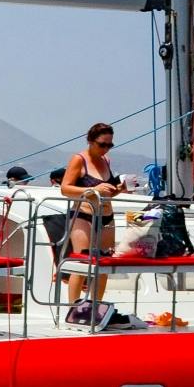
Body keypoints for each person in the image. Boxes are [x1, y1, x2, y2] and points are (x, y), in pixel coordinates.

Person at [59, 122, 127, 311]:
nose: (105, 149)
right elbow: (65, 189)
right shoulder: (78, 160)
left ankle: (95, 308)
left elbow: (107, 193)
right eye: (102, 144)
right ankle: (73, 309)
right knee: (82, 261)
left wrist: (119, 189)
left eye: (109, 145)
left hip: (106, 215)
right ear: (90, 141)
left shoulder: (106, 160)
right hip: (83, 214)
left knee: (103, 263)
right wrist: (92, 189)